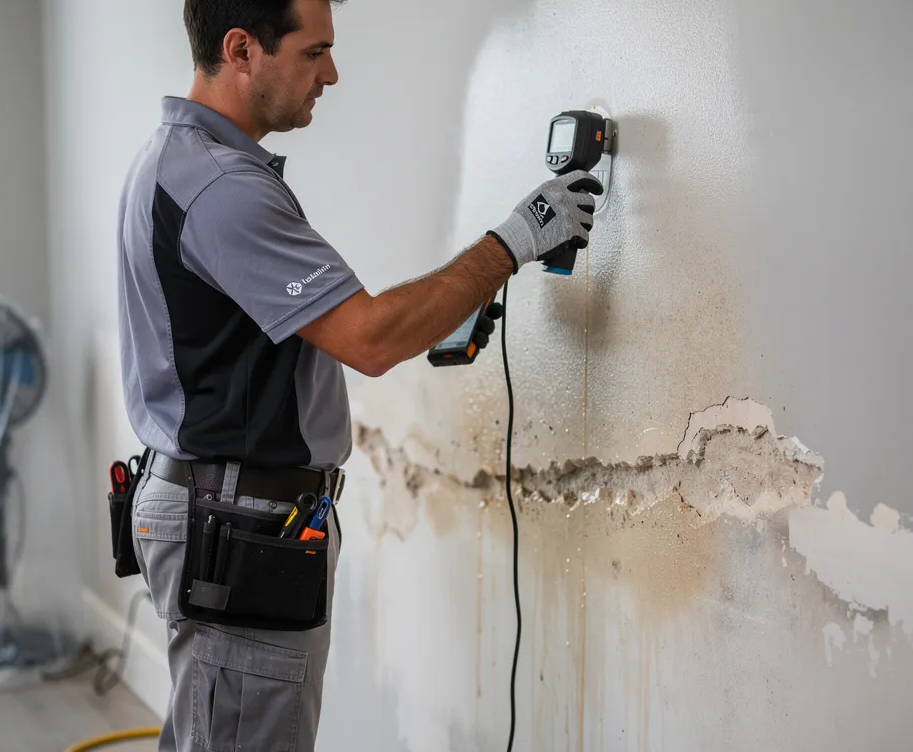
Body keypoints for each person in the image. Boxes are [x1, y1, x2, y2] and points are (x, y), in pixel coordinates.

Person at [116, 0, 602, 749]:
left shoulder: (178, 160)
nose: (332, 74)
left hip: (216, 505)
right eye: (314, 53)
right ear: (242, 48)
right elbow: (370, 339)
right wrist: (515, 238)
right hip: (237, 521)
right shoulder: (223, 188)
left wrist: (452, 300)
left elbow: (305, 330)